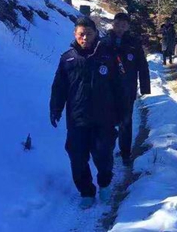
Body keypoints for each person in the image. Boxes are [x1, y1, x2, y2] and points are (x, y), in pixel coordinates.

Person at [49, 16, 121, 209]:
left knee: (103, 154)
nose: (85, 38)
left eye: (89, 34)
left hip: (103, 117)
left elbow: (119, 86)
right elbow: (59, 87)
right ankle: (86, 191)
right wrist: (55, 108)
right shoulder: (67, 58)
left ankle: (104, 183)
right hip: (77, 118)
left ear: (96, 34)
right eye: (81, 34)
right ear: (75, 34)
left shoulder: (108, 55)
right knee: (77, 156)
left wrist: (123, 112)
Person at [102, 13, 150, 166]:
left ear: (128, 26)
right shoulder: (104, 42)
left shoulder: (134, 44)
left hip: (127, 89)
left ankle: (125, 153)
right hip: (108, 89)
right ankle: (107, 151)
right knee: (107, 121)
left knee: (125, 122)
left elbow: (142, 66)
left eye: (123, 25)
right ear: (113, 24)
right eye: (117, 24)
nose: (120, 28)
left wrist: (145, 87)